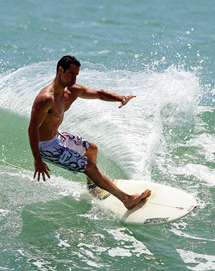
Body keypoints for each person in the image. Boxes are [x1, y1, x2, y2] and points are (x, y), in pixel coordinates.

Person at [28, 55, 151, 210]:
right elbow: (32, 128)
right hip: (45, 147)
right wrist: (37, 160)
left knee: (92, 149)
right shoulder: (46, 98)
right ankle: (126, 199)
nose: (74, 79)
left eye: (76, 75)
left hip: (57, 137)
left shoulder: (71, 91)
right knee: (90, 167)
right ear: (60, 70)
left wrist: (120, 98)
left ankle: (93, 187)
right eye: (71, 74)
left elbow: (99, 93)